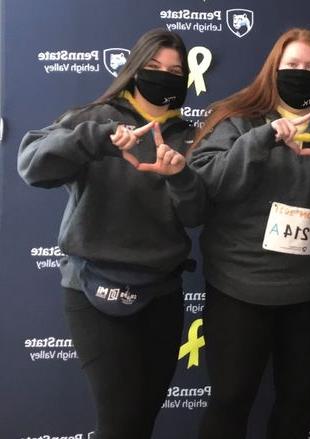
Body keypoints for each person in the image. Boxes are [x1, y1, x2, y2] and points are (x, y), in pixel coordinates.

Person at [17, 29, 203, 439]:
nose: (164, 77)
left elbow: (195, 214)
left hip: (161, 295)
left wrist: (181, 177)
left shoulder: (191, 137)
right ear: (134, 69)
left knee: (142, 421)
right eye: (154, 68)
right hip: (92, 291)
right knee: (119, 424)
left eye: (175, 71)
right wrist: (95, 139)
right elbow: (32, 165)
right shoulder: (94, 117)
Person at [189, 28, 310, 439]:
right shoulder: (236, 119)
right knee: (230, 400)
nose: (301, 74)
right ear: (273, 70)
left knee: (297, 401)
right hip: (239, 289)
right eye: (292, 66)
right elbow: (206, 187)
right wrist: (262, 139)